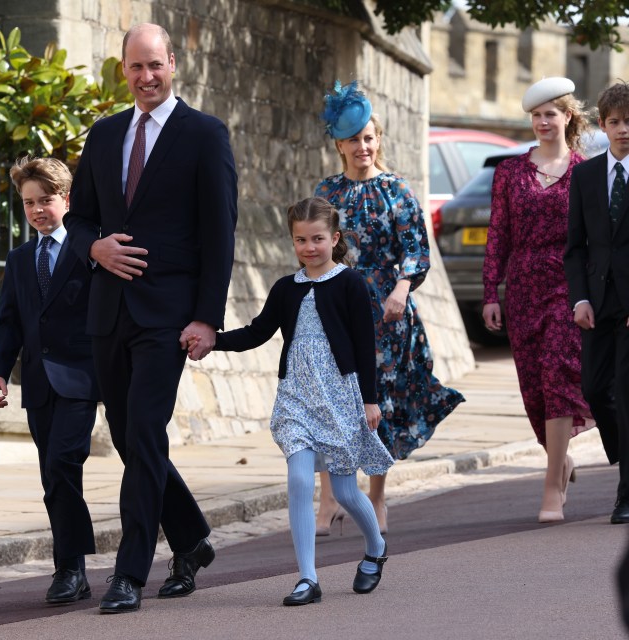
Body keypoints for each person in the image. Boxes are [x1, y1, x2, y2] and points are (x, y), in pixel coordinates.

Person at [63, 22, 238, 613]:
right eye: (135, 67)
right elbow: (80, 218)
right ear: (124, 69)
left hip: (168, 318)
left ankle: (129, 573)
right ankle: (189, 540)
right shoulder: (105, 134)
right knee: (132, 438)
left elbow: (220, 235)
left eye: (155, 66)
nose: (146, 77)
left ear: (172, 64)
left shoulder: (205, 135)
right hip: (108, 312)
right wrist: (94, 248)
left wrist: (207, 319)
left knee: (143, 432)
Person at [209, 196, 392, 605]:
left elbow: (366, 346)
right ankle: (308, 578)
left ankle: (376, 548)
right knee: (296, 480)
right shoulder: (285, 289)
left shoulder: (351, 283)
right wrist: (212, 341)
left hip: (340, 396)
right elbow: (256, 332)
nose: (309, 247)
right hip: (295, 394)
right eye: (300, 240)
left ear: (334, 238)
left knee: (344, 493)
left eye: (317, 239)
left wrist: (370, 401)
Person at [314, 81, 464, 534]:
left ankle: (376, 497)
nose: (363, 146)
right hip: (337, 306)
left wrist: (401, 289)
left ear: (377, 140)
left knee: (377, 404)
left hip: (387, 312)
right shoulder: (327, 192)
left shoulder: (396, 190)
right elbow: (316, 248)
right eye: (353, 139)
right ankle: (328, 498)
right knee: (328, 400)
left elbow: (417, 250)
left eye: (369, 138)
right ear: (338, 144)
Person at [0, 156, 99, 604]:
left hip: (80, 379)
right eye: (29, 202)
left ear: (66, 199)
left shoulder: (88, 250)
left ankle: (69, 567)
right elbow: (9, 321)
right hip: (37, 385)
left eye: (46, 200)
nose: (37, 210)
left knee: (63, 464)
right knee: (52, 478)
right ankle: (73, 570)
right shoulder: (19, 259)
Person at [482, 77, 594, 523]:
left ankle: (550, 487)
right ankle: (560, 460)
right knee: (533, 390)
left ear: (568, 116)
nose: (543, 122)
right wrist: (491, 291)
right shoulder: (509, 172)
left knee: (557, 376)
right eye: (536, 115)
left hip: (569, 285)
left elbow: (595, 238)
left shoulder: (586, 170)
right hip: (524, 287)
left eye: (551, 113)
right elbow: (498, 236)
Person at [564, 80, 629, 524]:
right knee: (593, 390)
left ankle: (625, 495)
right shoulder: (585, 175)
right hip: (598, 301)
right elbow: (575, 247)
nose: (624, 129)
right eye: (616, 122)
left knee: (625, 395)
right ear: (603, 126)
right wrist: (580, 298)